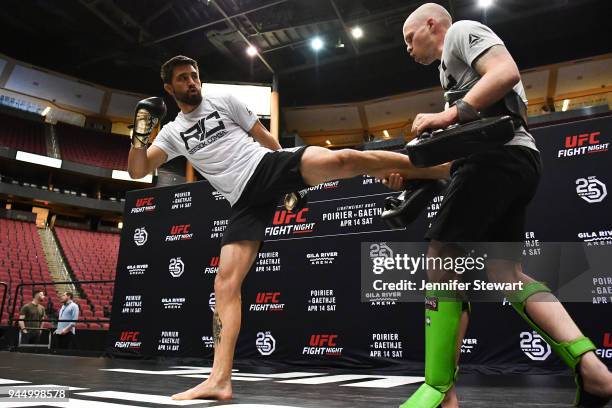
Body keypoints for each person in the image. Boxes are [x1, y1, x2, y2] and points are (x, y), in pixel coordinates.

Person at [127, 55, 450, 400]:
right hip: (242, 201)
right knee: (225, 283)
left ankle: (438, 169)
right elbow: (137, 169)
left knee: (342, 160)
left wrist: (290, 184)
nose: (191, 82)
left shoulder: (224, 102)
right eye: (182, 78)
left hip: (266, 166)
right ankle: (219, 380)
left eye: (194, 75)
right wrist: (141, 134)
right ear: (169, 87)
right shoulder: (174, 132)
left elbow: (265, 137)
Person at [387, 4, 612, 407]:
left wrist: (450, 114)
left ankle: (438, 391)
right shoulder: (450, 73)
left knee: (442, 257)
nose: (407, 48)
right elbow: (460, 156)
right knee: (506, 273)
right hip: (512, 161)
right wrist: (413, 171)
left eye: (409, 37)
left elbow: (506, 72)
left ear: (431, 25)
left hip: (498, 159)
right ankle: (593, 370)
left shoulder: (461, 33)